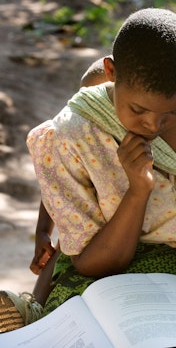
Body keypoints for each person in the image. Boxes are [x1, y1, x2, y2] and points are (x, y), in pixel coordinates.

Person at [25, 8, 176, 347]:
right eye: (138, 110)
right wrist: (138, 191)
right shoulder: (73, 134)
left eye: (174, 112)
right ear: (111, 72)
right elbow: (92, 263)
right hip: (109, 274)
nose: (153, 126)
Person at [0, 57, 110, 334]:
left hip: (118, 241)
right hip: (78, 238)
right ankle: (34, 312)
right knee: (63, 250)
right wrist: (42, 232)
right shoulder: (76, 140)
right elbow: (54, 183)